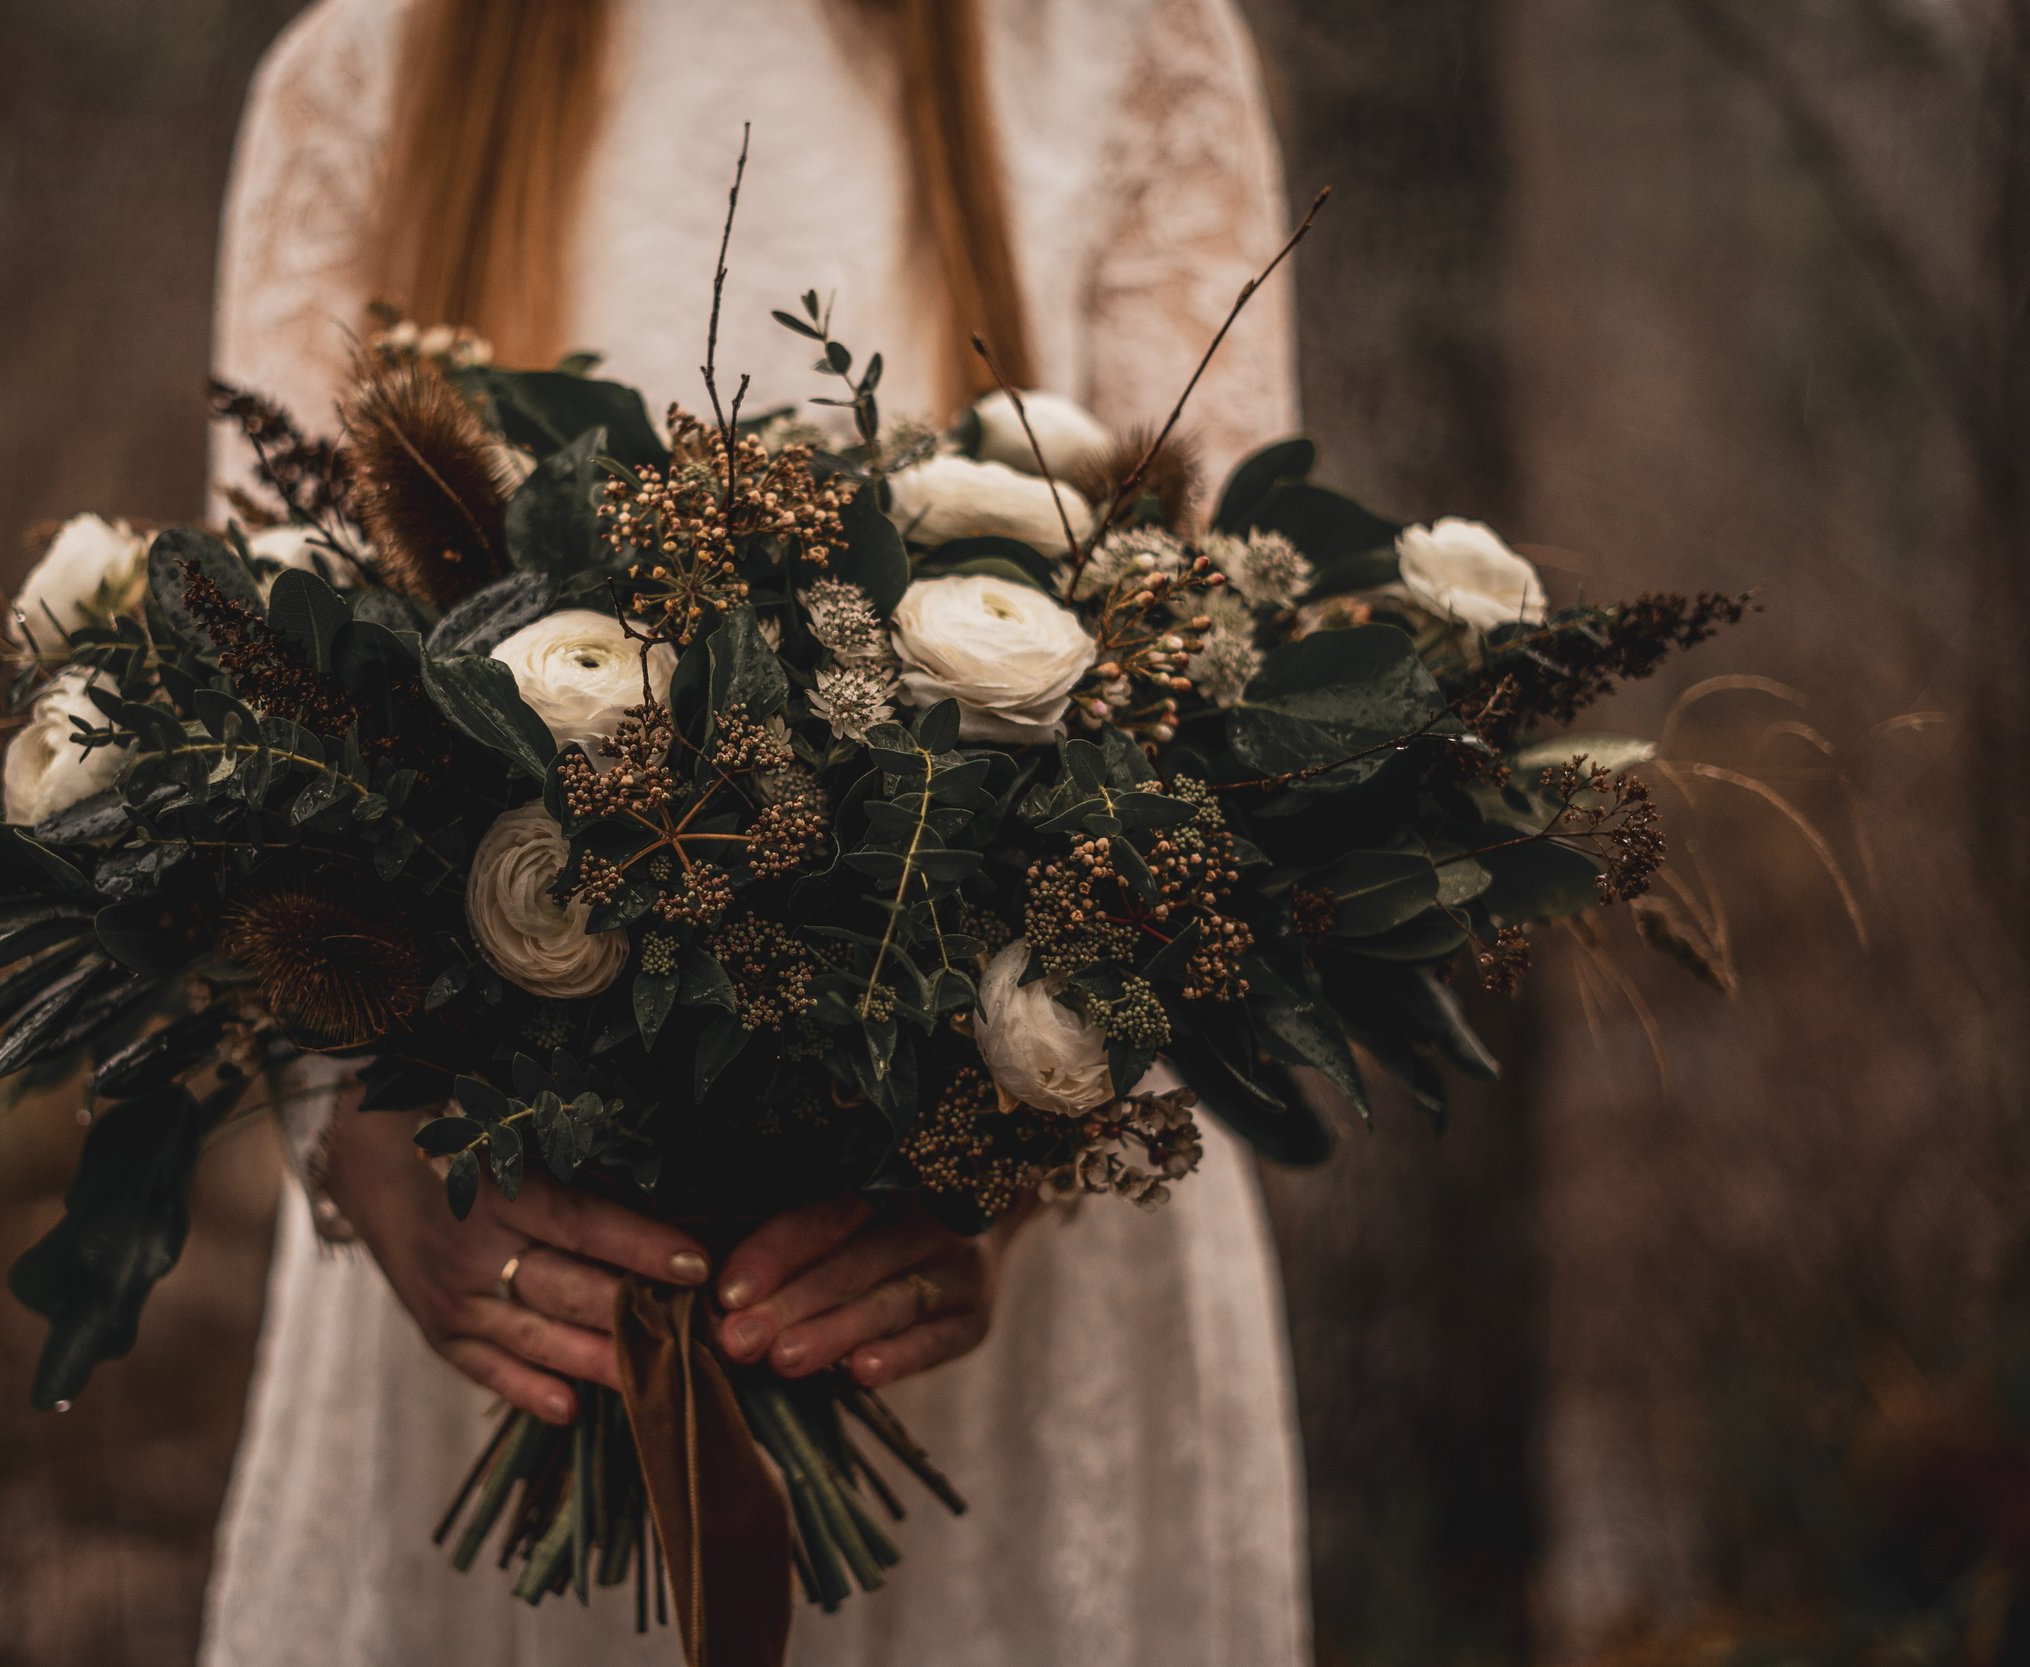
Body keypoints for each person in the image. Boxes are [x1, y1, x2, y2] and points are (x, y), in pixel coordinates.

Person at [199, 2, 1309, 1661]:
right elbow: (256, 699)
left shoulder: (1120, 43)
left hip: (999, 1319)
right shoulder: (369, 70)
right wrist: (359, 1137)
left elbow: (1218, 700)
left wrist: (998, 1164)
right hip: (509, 1283)